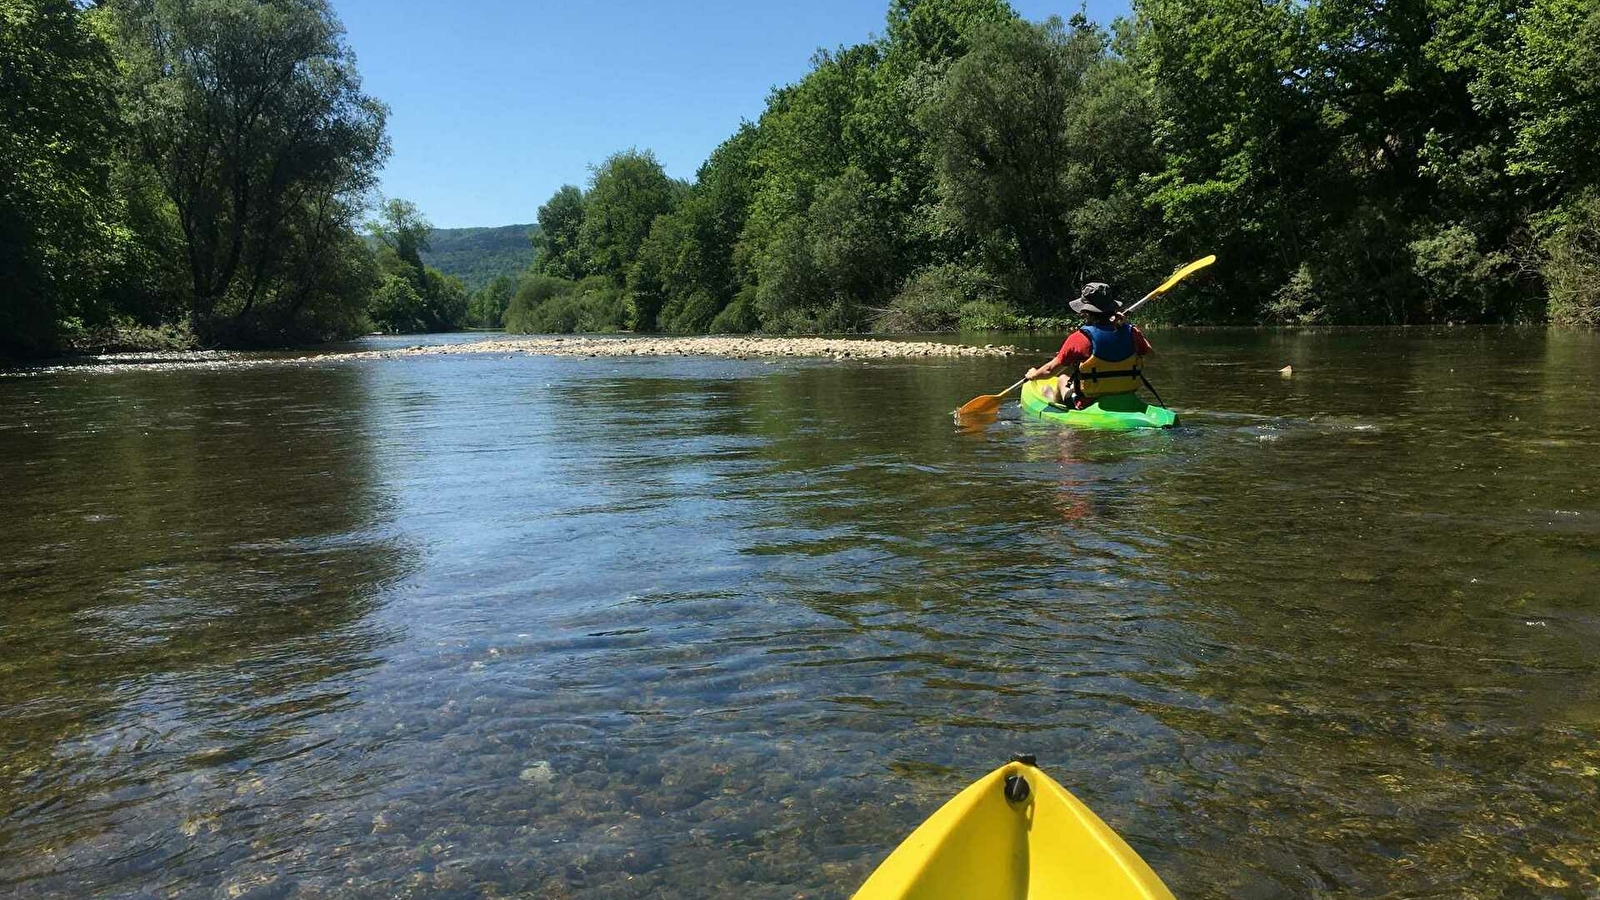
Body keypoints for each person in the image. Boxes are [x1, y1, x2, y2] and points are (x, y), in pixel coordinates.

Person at [1023, 282, 1153, 408]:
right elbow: (1151, 355)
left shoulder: (1079, 338)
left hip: (1089, 402)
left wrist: (1033, 374)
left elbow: (1049, 370)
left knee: (1062, 378)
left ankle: (1052, 401)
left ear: (1085, 312)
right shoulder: (1132, 332)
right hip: (1126, 396)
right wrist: (1126, 327)